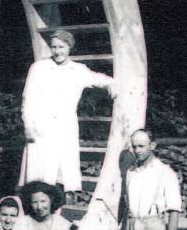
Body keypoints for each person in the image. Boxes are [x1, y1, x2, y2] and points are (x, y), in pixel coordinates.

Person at [19, 29, 118, 193]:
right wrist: (28, 126)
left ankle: (56, 213)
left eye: (61, 47)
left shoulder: (78, 70)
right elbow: (27, 99)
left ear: (69, 47)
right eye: (54, 47)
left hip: (65, 127)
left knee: (60, 174)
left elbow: (99, 79)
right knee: (38, 175)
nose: (57, 51)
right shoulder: (39, 68)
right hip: (41, 127)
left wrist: (112, 84)